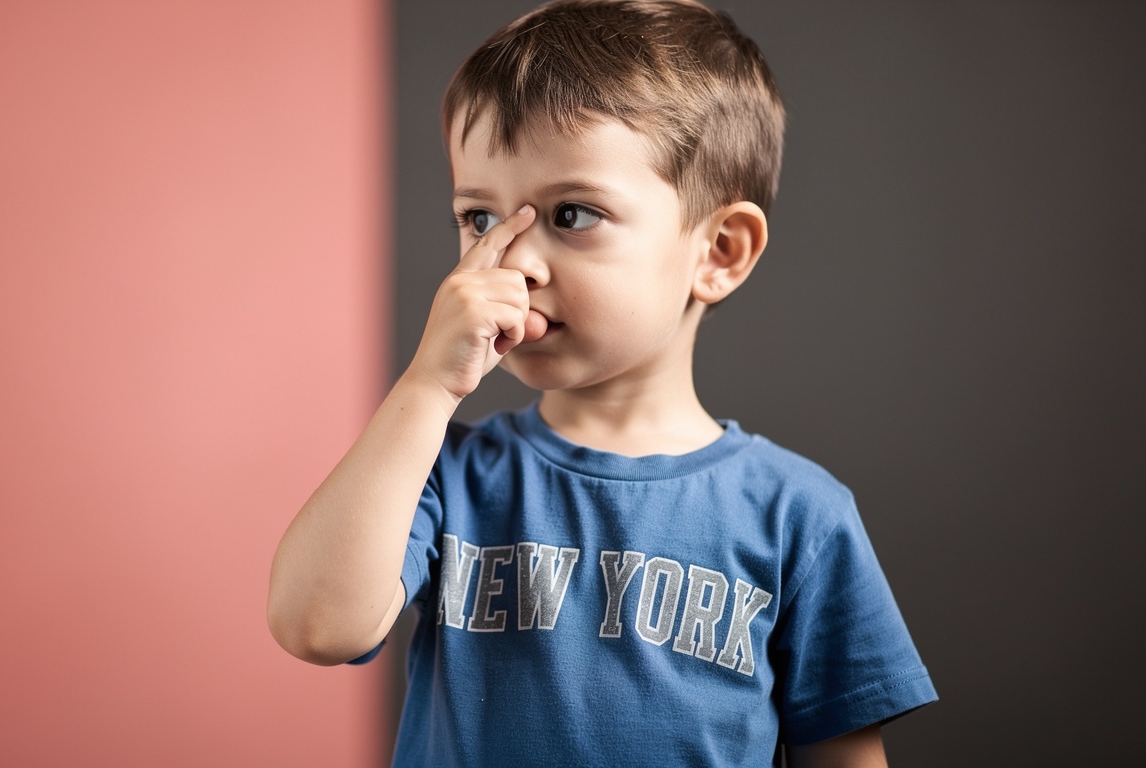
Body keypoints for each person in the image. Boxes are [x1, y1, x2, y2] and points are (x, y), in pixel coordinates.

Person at [268, 1, 936, 764]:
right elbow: (315, 625)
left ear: (719, 251)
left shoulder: (799, 519)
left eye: (573, 214)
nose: (513, 261)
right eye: (480, 220)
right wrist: (427, 387)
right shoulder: (445, 475)